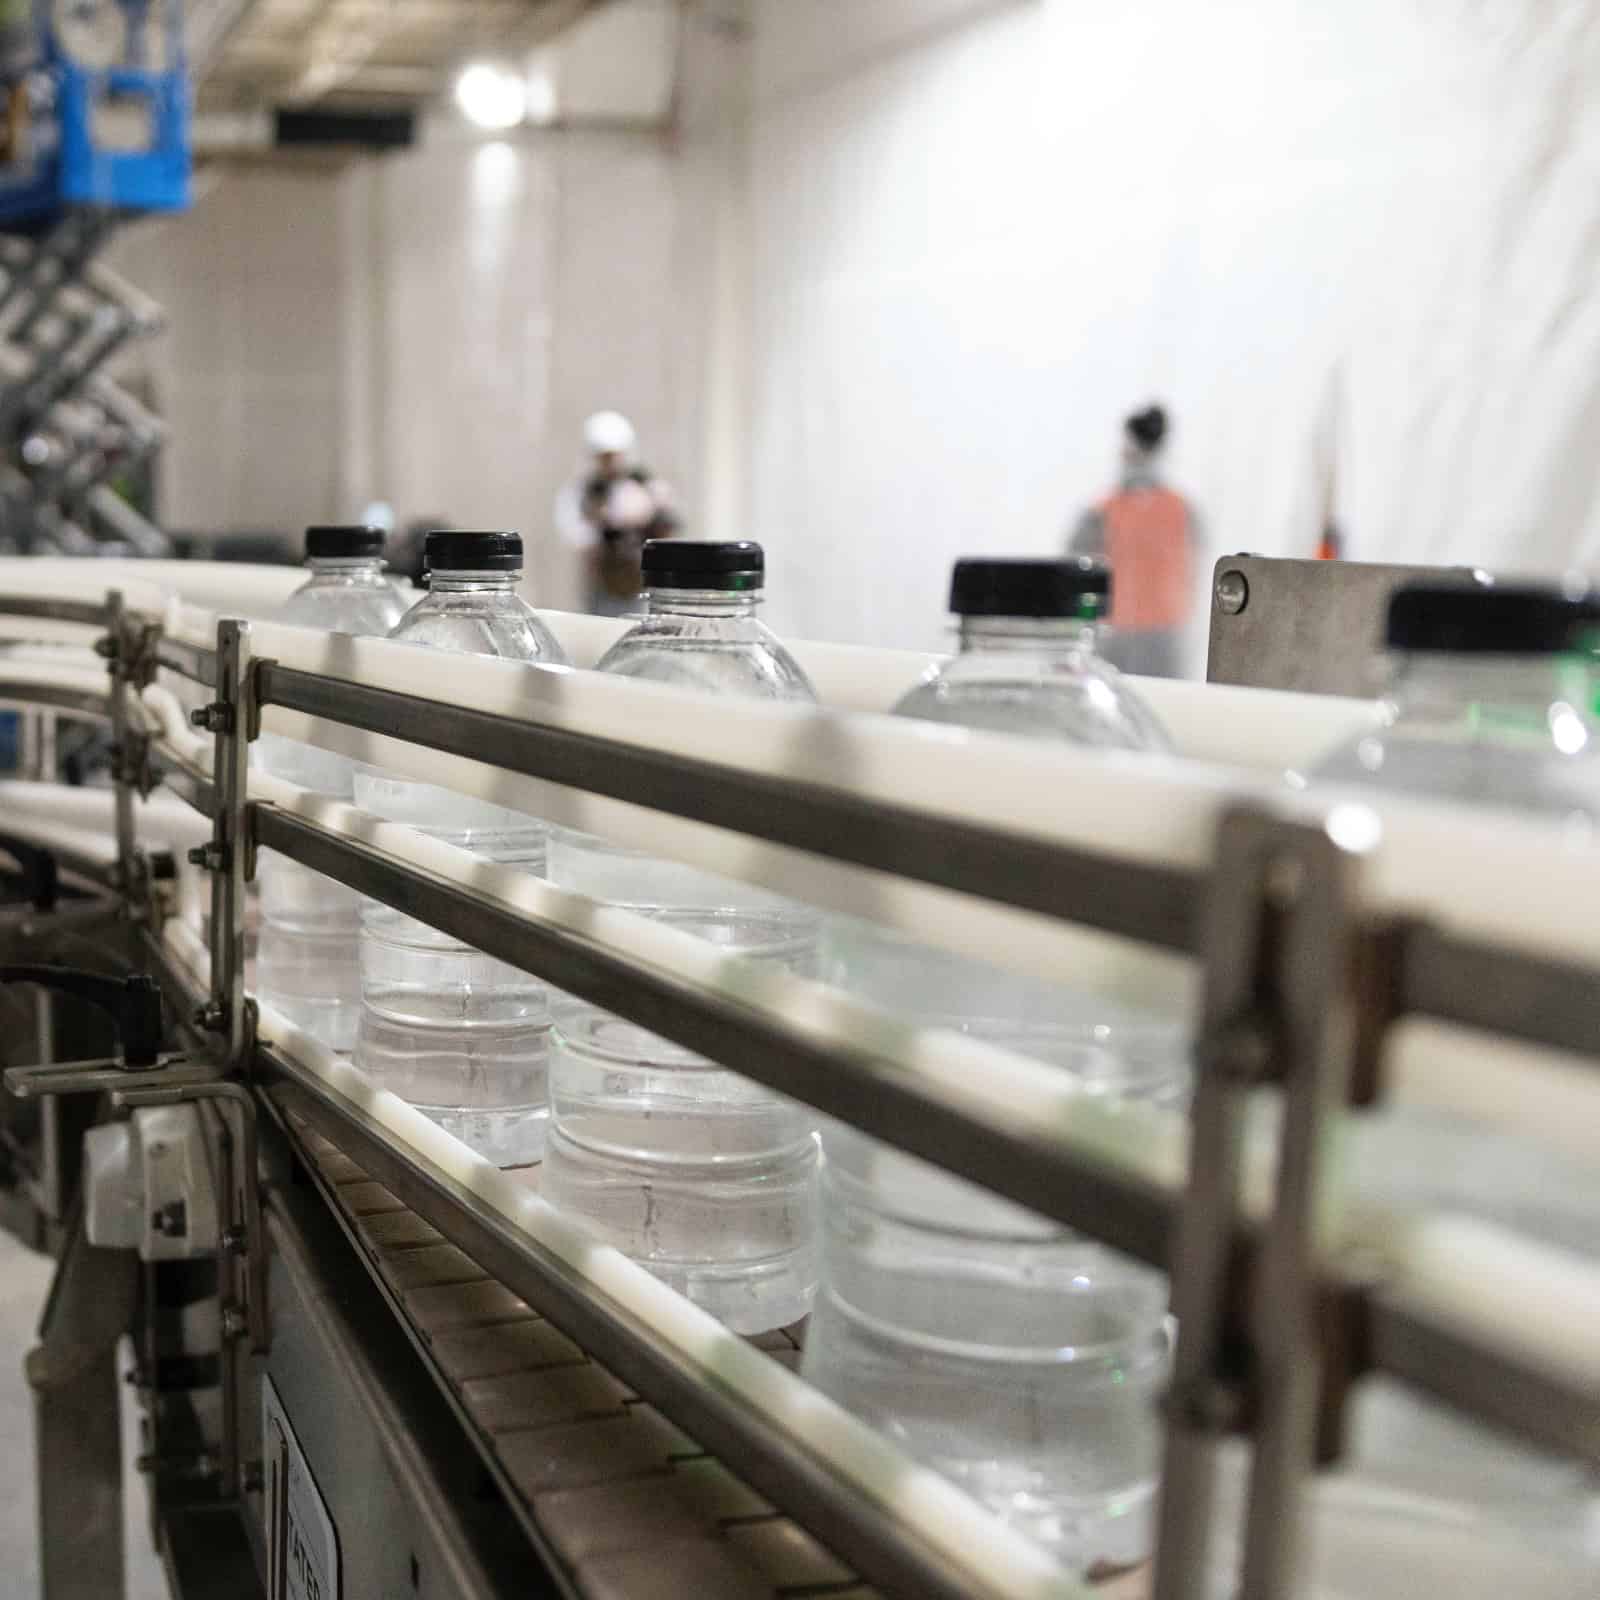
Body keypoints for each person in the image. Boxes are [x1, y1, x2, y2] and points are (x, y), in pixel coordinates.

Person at [1068, 404, 1200, 678]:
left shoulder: (1103, 510)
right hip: (1151, 633)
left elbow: (1074, 569)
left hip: (1135, 634)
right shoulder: (1181, 508)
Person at [555, 411, 680, 614]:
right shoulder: (583, 492)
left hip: (639, 583)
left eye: (616, 455)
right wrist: (606, 522)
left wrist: (650, 511)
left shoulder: (646, 486)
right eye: (605, 457)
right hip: (604, 584)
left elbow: (670, 525)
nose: (612, 462)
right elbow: (577, 535)